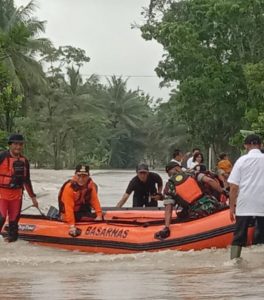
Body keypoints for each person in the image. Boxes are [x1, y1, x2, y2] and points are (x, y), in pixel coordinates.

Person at [155, 161, 223, 239]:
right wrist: (224, 192)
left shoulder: (170, 186)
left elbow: (168, 208)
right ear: (178, 168)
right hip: (213, 204)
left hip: (197, 213)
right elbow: (209, 180)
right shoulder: (192, 173)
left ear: (169, 173)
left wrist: (167, 227)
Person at [228, 134, 264, 259]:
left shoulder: (241, 161)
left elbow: (233, 187)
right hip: (262, 204)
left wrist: (231, 207)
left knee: (239, 236)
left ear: (246, 146)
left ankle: (234, 263)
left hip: (245, 204)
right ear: (261, 145)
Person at [0, 134, 38, 242]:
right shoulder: (2, 157)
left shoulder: (24, 161)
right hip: (2, 194)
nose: (18, 147)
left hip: (17, 195)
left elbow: (27, 180)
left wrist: (33, 198)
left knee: (14, 223)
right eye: (15, 144)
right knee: (1, 218)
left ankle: (10, 250)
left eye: (20, 144)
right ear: (10, 145)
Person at [58, 164, 103, 237]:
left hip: (82, 211)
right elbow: (68, 209)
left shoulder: (90, 186)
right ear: (75, 175)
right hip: (67, 215)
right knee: (91, 218)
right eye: (79, 176)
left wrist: (99, 215)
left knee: (100, 216)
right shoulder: (69, 188)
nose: (81, 179)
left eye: (84, 176)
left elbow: (95, 201)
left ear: (88, 176)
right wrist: (72, 226)